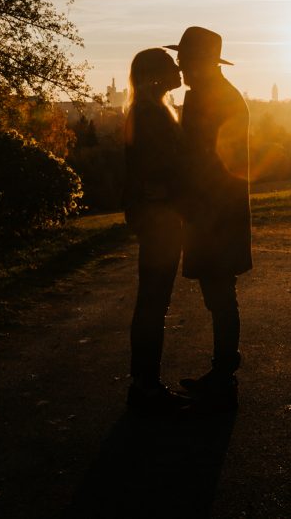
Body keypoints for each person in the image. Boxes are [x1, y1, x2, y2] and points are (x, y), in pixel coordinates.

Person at [164, 26, 252, 411]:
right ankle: (223, 370)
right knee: (219, 294)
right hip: (216, 211)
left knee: (220, 293)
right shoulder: (213, 94)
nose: (180, 66)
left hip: (215, 213)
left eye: (184, 59)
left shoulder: (211, 99)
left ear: (200, 62)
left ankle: (224, 375)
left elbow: (203, 160)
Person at [122, 47, 189, 413]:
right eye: (170, 66)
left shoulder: (150, 110)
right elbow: (159, 168)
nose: (178, 69)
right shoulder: (151, 114)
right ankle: (145, 386)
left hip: (157, 216)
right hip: (160, 218)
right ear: (155, 74)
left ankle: (145, 383)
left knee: (153, 301)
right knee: (153, 302)